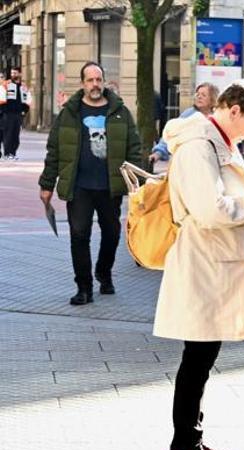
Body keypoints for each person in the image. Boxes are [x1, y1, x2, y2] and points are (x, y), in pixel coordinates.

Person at [153, 79, 244, 450]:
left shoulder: (214, 142)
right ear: (234, 110)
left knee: (201, 359)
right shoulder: (201, 146)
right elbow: (211, 210)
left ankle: (192, 437)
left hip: (211, 264)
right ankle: (184, 445)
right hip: (203, 264)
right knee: (197, 359)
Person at [38, 62, 143, 306]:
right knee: (79, 235)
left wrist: (136, 182)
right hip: (79, 186)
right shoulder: (69, 113)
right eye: (90, 80)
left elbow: (134, 148)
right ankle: (83, 287)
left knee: (112, 233)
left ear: (104, 81)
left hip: (110, 186)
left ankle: (103, 273)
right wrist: (46, 184)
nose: (95, 84)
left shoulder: (119, 112)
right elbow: (54, 150)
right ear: (83, 83)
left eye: (99, 79)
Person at [149, 82, 218, 165]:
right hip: (188, 162)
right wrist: (158, 153)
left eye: (203, 95)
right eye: (198, 94)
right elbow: (172, 134)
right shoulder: (189, 114)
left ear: (212, 99)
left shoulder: (217, 117)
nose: (199, 97)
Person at [1, 66, 31, 159]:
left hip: (18, 114)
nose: (13, 75)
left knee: (16, 136)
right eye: (12, 73)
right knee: (8, 135)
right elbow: (1, 98)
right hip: (8, 114)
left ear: (20, 74)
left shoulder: (24, 87)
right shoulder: (6, 84)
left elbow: (28, 100)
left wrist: (24, 111)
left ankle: (13, 153)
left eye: (15, 73)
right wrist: (4, 111)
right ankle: (7, 154)